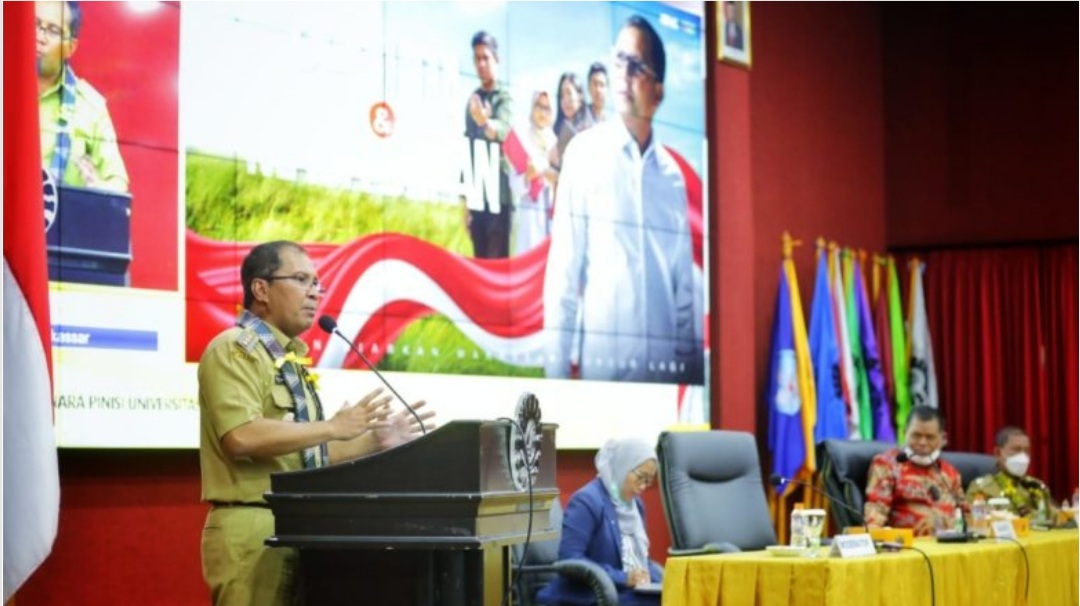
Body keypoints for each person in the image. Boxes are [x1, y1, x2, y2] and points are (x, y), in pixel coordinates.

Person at [198, 241, 434, 606]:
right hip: (252, 527)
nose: (314, 293)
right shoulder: (234, 349)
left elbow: (309, 457)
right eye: (300, 279)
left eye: (316, 283)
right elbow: (241, 436)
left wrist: (375, 441)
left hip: (300, 528)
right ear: (261, 289)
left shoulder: (290, 361)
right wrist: (332, 426)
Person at [543, 15, 701, 384]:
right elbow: (563, 280)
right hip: (604, 383)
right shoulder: (584, 154)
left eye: (638, 66)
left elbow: (683, 293)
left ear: (658, 93)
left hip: (665, 389)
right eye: (620, 61)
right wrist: (555, 383)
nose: (625, 73)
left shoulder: (672, 177)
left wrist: (690, 381)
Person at [537, 437, 662, 606]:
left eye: (648, 481)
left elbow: (639, 559)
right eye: (640, 477)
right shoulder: (587, 501)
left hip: (627, 591)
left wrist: (665, 580)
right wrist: (624, 577)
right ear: (622, 466)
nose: (643, 486)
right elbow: (570, 559)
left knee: (677, 595)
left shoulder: (635, 506)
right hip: (587, 594)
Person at [36, 0, 129, 192]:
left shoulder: (91, 106)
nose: (39, 37)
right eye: (35, 24)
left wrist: (98, 189)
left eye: (53, 31)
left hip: (60, 211)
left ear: (70, 47)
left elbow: (118, 183)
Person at [864, 405, 966, 536]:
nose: (922, 442)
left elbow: (967, 518)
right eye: (916, 435)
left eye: (930, 437)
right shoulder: (887, 465)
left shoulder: (950, 473)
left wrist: (941, 522)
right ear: (905, 432)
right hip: (907, 543)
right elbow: (875, 514)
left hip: (947, 543)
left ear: (942, 438)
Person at [462, 30, 513, 259]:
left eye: (486, 57)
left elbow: (503, 131)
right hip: (477, 198)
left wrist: (484, 121)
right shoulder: (473, 101)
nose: (481, 64)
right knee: (480, 264)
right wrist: (466, 205)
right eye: (477, 58)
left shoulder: (504, 98)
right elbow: (469, 149)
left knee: (497, 265)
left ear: (496, 59)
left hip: (498, 198)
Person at [967, 426, 1060, 523]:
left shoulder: (1037, 486)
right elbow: (976, 522)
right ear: (998, 453)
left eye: (1027, 450)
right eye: (1016, 450)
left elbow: (1056, 518)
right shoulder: (982, 488)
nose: (1023, 456)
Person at [509, 91, 557, 255]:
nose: (542, 113)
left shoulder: (555, 143)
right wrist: (527, 177)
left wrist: (554, 180)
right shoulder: (522, 138)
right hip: (528, 214)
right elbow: (513, 184)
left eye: (547, 108)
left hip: (549, 216)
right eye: (539, 106)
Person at [549, 71, 590, 173]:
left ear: (580, 97)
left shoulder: (590, 131)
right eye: (562, 96)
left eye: (569, 93)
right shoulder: (554, 131)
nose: (565, 100)